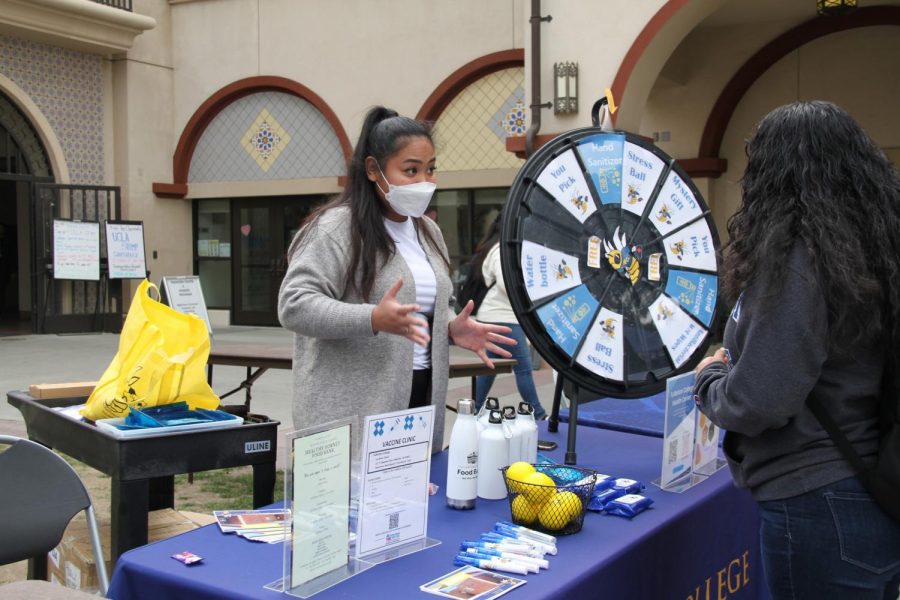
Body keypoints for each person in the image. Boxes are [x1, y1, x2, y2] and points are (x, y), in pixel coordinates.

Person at [693, 101, 900, 599]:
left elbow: (760, 400)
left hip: (818, 502)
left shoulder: (798, 258)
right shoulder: (873, 246)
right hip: (874, 489)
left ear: (771, 175)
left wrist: (711, 380)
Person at [278, 106, 515, 454]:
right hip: (353, 410)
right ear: (374, 170)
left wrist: (448, 326)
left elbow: (426, 306)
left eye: (430, 169)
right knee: (357, 506)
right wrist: (372, 318)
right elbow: (294, 305)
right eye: (411, 170)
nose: (425, 181)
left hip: (418, 401)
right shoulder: (336, 228)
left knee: (411, 502)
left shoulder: (428, 231)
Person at [471, 212, 547, 419]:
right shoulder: (499, 251)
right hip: (502, 318)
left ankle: (474, 410)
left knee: (490, 368)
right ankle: (538, 413)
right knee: (522, 368)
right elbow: (507, 285)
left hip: (495, 316)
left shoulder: (499, 249)